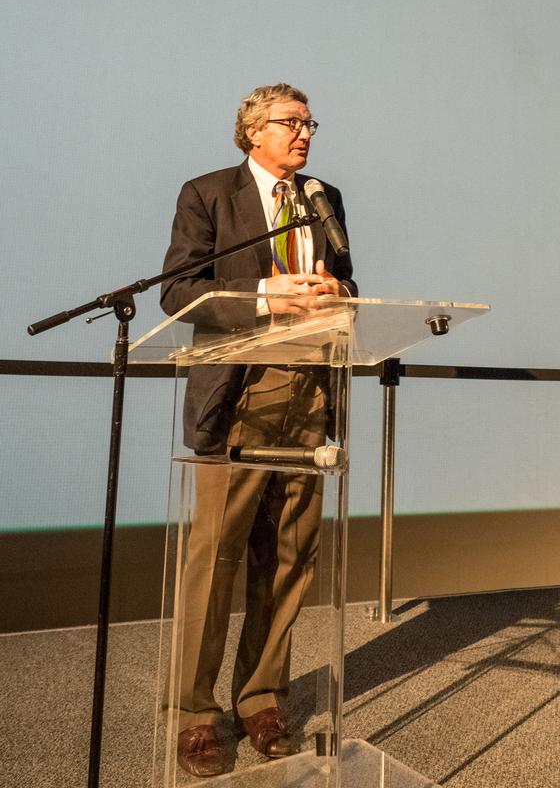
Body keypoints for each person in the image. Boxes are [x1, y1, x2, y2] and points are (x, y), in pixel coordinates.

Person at [160, 82, 357, 777]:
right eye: (290, 123)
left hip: (309, 395)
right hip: (240, 395)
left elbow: (351, 283)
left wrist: (339, 293)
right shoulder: (210, 195)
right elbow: (178, 292)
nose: (305, 134)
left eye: (310, 123)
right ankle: (194, 712)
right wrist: (265, 296)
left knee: (290, 559)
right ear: (253, 131)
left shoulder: (324, 197)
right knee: (215, 562)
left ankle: (261, 698)